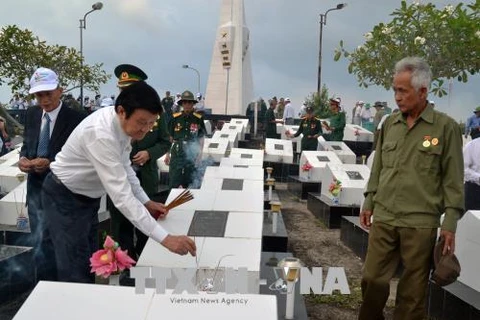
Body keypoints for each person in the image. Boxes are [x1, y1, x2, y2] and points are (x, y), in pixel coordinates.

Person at [40, 81, 196, 283]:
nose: (146, 130)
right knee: (74, 269)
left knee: (85, 262)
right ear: (121, 111)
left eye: (151, 123)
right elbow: (122, 197)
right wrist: (166, 239)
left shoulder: (121, 127)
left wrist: (146, 202)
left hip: (86, 199)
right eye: (142, 122)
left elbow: (126, 169)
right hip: (64, 198)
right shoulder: (100, 134)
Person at [358, 57, 464, 320]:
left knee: (412, 294)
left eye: (402, 91)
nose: (397, 97)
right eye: (395, 90)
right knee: (372, 279)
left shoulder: (445, 128)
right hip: (385, 216)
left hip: (420, 223)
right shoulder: (389, 125)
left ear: (423, 91)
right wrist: (369, 200)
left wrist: (449, 223)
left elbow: (453, 179)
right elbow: (378, 167)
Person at [18, 67, 85, 281]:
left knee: (63, 247)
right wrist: (23, 159)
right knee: (39, 245)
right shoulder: (32, 114)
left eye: (48, 93)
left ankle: (63, 292)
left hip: (63, 194)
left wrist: (51, 162)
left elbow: (80, 158)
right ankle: (41, 290)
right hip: (36, 192)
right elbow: (28, 146)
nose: (44, 100)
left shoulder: (77, 119)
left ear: (60, 90)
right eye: (39, 95)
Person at [108, 64, 171, 260]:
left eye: (130, 89)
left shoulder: (156, 115)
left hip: (145, 177)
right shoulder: (115, 116)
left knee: (145, 225)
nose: (125, 93)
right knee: (120, 226)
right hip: (119, 178)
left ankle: (145, 262)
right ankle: (124, 266)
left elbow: (165, 142)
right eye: (122, 89)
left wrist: (149, 153)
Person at [165, 90, 207, 188]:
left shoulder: (198, 118)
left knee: (190, 179)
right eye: (185, 102)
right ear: (182, 104)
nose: (187, 105)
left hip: (192, 151)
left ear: (193, 104)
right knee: (175, 178)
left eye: (189, 102)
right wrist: (167, 154)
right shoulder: (175, 118)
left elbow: (201, 137)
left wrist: (200, 153)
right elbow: (170, 137)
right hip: (177, 150)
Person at [464, 137, 480, 211]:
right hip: (474, 190)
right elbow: (463, 169)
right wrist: (478, 177)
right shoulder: (471, 146)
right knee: (469, 220)